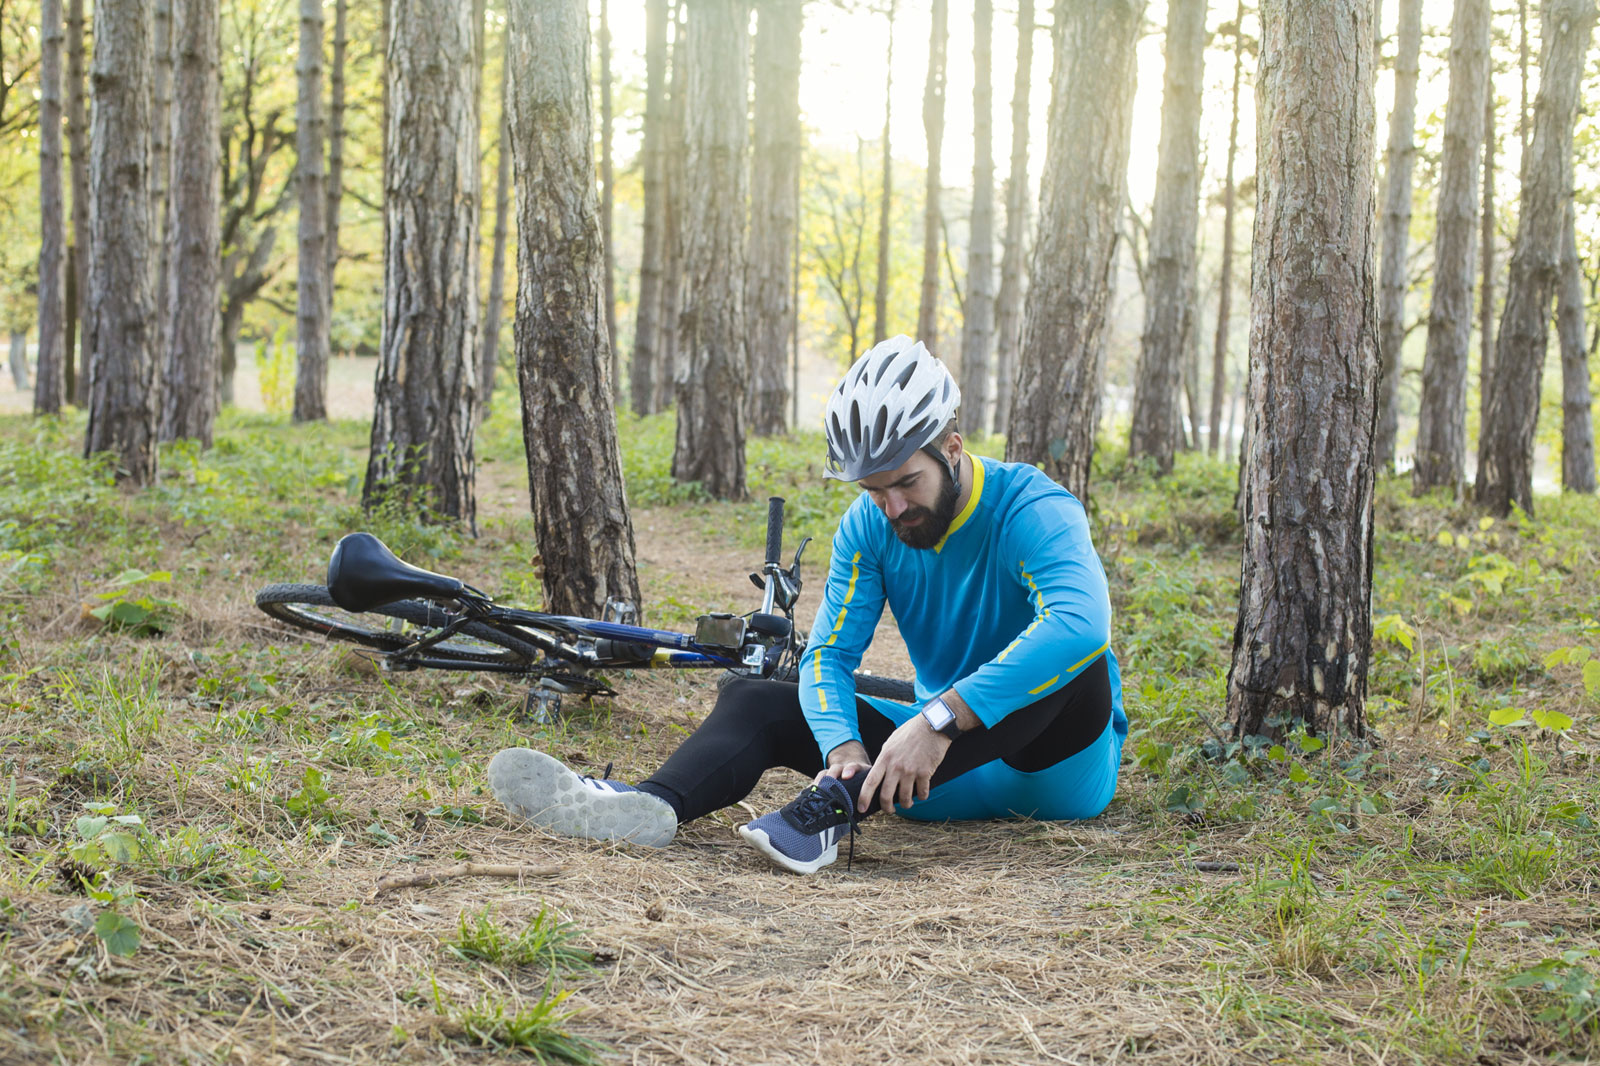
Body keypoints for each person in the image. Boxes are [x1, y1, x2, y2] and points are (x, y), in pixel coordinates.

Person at [488, 336, 1126, 875]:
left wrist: (937, 721)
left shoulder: (1031, 508)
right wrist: (843, 746)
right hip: (923, 780)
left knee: (1073, 659)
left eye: (907, 482)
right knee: (753, 696)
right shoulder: (867, 526)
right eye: (875, 491)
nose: (893, 508)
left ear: (952, 449)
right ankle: (647, 807)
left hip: (1053, 773)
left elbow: (1079, 621)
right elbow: (829, 656)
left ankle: (834, 809)